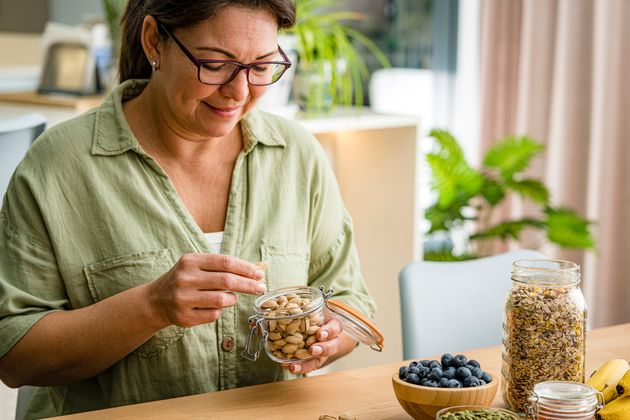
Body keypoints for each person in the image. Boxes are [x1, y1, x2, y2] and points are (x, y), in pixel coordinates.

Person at [0, 0, 377, 418]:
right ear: (153, 42)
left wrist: (329, 337)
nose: (239, 92)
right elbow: (14, 354)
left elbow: (349, 297)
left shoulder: (297, 156)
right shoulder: (57, 167)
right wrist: (150, 306)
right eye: (215, 64)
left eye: (261, 66)